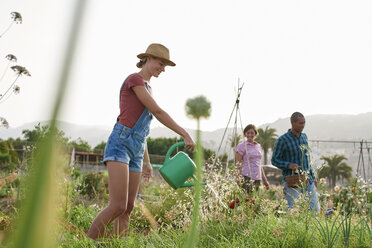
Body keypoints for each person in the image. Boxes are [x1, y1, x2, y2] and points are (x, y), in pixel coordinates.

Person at [87, 43, 195, 239]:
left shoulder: (149, 88)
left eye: (165, 67)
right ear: (148, 59)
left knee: (128, 207)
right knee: (117, 205)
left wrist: (145, 160)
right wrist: (184, 133)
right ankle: (88, 242)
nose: (162, 69)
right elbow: (157, 112)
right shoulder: (134, 80)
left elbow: (143, 130)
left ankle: (120, 243)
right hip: (120, 143)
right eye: (160, 64)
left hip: (137, 148)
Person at [271, 112, 320, 211]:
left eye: (304, 123)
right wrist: (289, 165)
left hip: (308, 180)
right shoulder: (282, 140)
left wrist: (313, 177)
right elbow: (274, 160)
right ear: (292, 123)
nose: (303, 126)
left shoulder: (304, 137)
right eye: (300, 123)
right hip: (292, 181)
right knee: (293, 211)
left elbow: (307, 159)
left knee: (315, 210)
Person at [235, 124, 270, 194]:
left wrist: (264, 179)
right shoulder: (241, 146)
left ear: (255, 134)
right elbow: (238, 163)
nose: (250, 135)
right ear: (245, 134)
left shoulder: (258, 146)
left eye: (252, 133)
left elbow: (259, 164)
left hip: (257, 177)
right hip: (247, 176)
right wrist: (237, 177)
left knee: (253, 200)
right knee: (246, 199)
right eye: (248, 133)